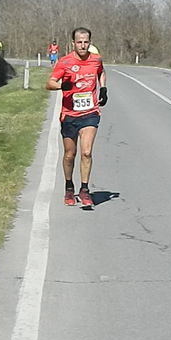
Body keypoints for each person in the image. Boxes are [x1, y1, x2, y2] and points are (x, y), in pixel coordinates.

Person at [46, 27, 108, 207]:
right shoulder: (65, 62)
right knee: (69, 155)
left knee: (87, 152)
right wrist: (61, 86)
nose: (83, 45)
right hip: (69, 114)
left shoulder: (96, 60)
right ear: (73, 43)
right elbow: (49, 83)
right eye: (79, 42)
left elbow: (101, 72)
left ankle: (85, 189)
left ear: (90, 42)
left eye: (86, 42)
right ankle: (68, 187)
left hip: (90, 113)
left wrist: (103, 88)